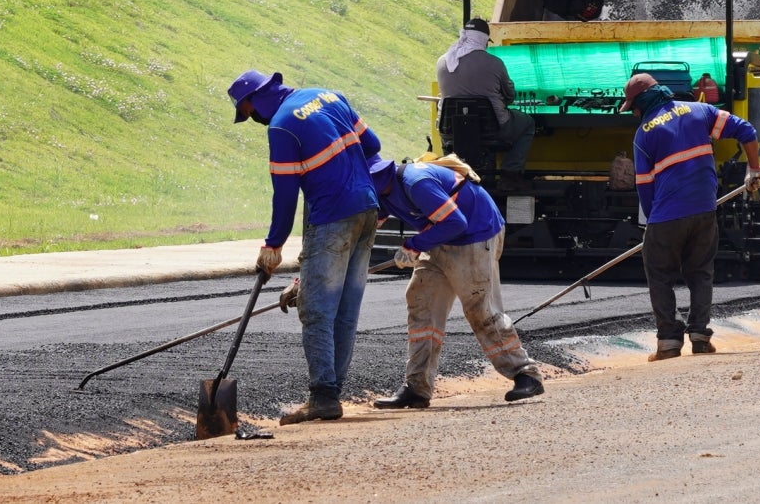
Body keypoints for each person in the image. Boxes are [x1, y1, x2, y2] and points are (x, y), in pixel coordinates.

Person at [228, 70, 381, 425]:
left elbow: (285, 193)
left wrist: (273, 245)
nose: (251, 118)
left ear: (255, 99)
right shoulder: (330, 94)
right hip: (368, 209)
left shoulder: (281, 126)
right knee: (344, 309)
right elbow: (371, 146)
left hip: (331, 217)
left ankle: (323, 397)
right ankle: (332, 391)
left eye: (248, 111)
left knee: (316, 312)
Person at [366, 154, 545, 408]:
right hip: (441, 236)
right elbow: (366, 228)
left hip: (474, 234)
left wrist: (413, 245)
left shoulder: (417, 183)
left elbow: (455, 222)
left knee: (479, 308)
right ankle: (417, 387)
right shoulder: (383, 193)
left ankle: (526, 374)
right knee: (421, 301)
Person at [623, 72, 760, 361]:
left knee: (660, 275)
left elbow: (645, 187)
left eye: (633, 107)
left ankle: (668, 343)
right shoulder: (699, 111)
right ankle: (700, 337)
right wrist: (755, 168)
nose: (634, 112)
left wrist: (652, 225)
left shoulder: (644, 134)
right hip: (704, 210)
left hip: (667, 214)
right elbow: (746, 130)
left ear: (642, 103)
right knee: (700, 273)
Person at [436, 17, 536, 171]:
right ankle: (510, 174)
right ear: (483, 40)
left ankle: (452, 172)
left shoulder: (442, 62)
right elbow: (510, 97)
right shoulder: (494, 63)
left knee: (458, 133)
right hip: (493, 130)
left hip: (451, 131)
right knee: (527, 122)